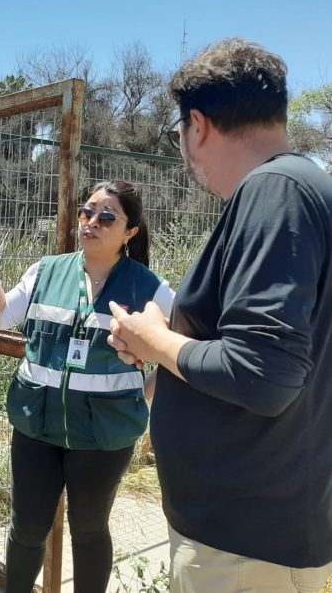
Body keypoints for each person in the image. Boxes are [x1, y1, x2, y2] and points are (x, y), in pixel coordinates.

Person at [108, 38, 332, 592]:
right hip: (274, 526)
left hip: (241, 547)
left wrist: (154, 337)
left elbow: (263, 373)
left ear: (198, 125)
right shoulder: (308, 189)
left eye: (177, 132)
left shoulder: (274, 192)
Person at [0, 181, 174, 593]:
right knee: (26, 528)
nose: (92, 222)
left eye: (107, 216)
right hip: (36, 427)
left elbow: (181, 349)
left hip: (104, 435)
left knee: (90, 530)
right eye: (87, 212)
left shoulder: (151, 288)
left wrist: (141, 394)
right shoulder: (46, 270)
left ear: (130, 232)